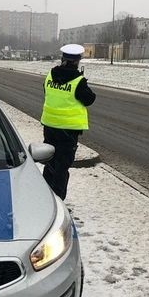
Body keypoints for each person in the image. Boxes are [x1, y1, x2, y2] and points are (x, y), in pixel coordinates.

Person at [40, 44, 96, 200]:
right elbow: (89, 99)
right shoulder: (78, 81)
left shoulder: (50, 75)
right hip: (68, 131)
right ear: (78, 60)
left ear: (62, 58)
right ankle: (57, 202)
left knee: (50, 163)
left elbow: (46, 91)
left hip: (50, 126)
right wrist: (83, 80)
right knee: (62, 167)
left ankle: (46, 197)